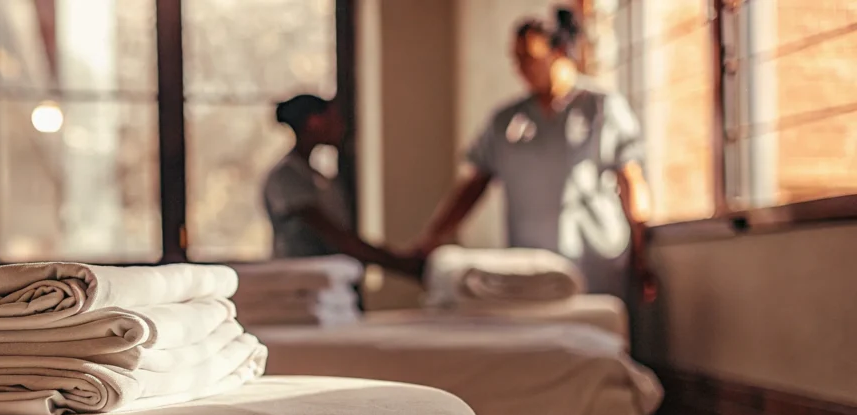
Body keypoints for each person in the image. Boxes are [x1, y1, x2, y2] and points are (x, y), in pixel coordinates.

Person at [409, 8, 655, 303]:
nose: (520, 68)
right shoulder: (505, 122)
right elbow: (473, 187)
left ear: (559, 51)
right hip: (532, 277)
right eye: (516, 59)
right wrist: (432, 237)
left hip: (598, 267)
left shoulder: (602, 109)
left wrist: (641, 253)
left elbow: (631, 179)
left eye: (528, 57)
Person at [263, 94, 423, 277]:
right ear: (314, 122)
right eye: (334, 118)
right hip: (300, 281)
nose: (341, 125)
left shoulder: (317, 177)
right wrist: (402, 264)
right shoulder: (286, 176)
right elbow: (335, 236)